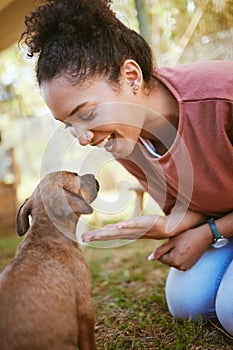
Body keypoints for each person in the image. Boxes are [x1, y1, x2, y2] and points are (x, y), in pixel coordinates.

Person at [21, 0, 233, 335]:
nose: (83, 138)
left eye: (87, 114)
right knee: (187, 305)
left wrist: (211, 233)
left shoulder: (222, 98)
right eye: (68, 125)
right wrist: (169, 226)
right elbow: (200, 203)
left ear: (131, 76)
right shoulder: (124, 139)